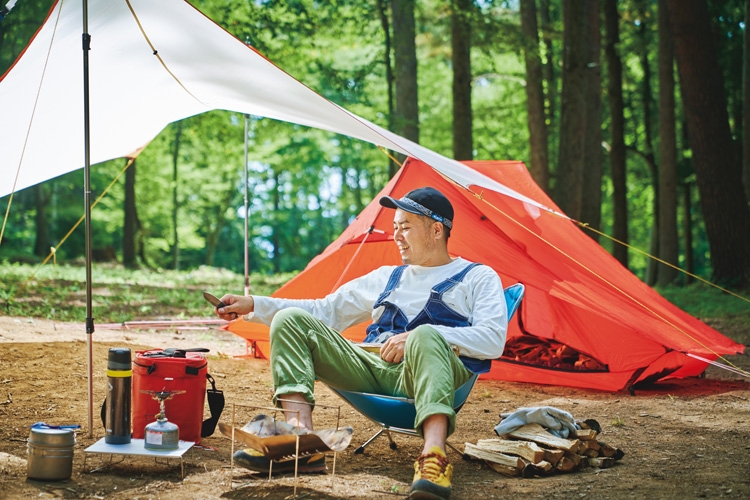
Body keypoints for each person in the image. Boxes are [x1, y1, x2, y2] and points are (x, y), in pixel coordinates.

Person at [215, 186, 508, 500]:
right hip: (372, 367)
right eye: (395, 227)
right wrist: (254, 304)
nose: (396, 235)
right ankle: (300, 439)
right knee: (292, 319)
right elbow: (324, 312)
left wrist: (423, 336)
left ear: (436, 230)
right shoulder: (387, 276)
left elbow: (493, 339)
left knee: (426, 334)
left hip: (434, 374)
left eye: (405, 227)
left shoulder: (477, 276)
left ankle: (434, 458)